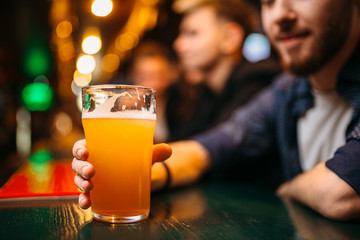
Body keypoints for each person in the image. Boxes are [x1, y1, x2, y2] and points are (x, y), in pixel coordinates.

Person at [72, 0, 360, 221]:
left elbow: (342, 191)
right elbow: (213, 146)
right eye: (269, 2)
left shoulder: (258, 80)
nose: (281, 14)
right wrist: (134, 174)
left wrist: (290, 188)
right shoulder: (287, 89)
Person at [166, 0, 280, 141]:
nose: (178, 45)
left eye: (192, 33)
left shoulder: (257, 83)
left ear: (230, 38)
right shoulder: (209, 94)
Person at [124, 40, 178, 143]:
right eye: (144, 77)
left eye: (158, 77)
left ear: (170, 75)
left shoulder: (182, 106)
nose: (152, 85)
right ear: (132, 76)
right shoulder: (124, 111)